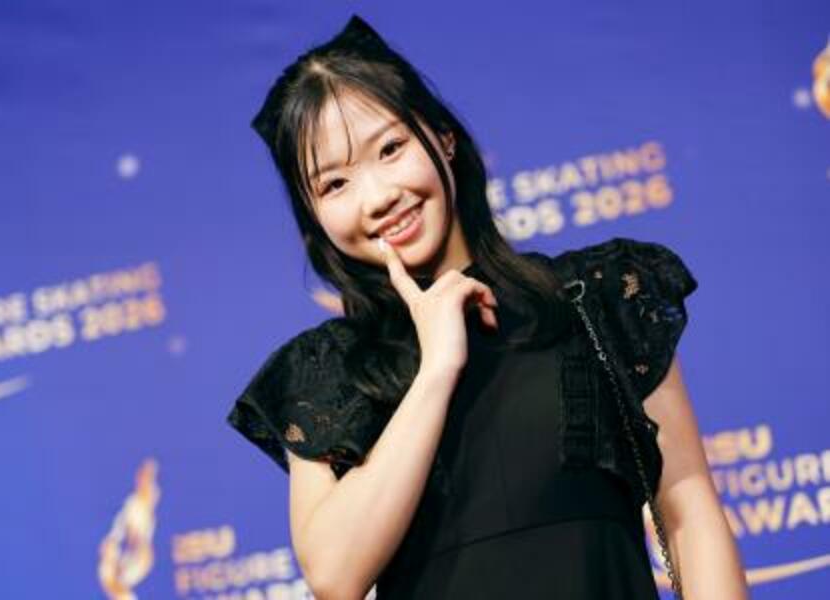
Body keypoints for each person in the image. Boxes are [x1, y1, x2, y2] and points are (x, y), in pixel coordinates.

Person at [227, 13, 748, 600]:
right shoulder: (323, 371)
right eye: (334, 184)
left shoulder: (598, 296)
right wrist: (437, 369)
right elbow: (334, 574)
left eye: (391, 148)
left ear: (443, 138)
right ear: (314, 219)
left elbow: (689, 513)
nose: (378, 197)